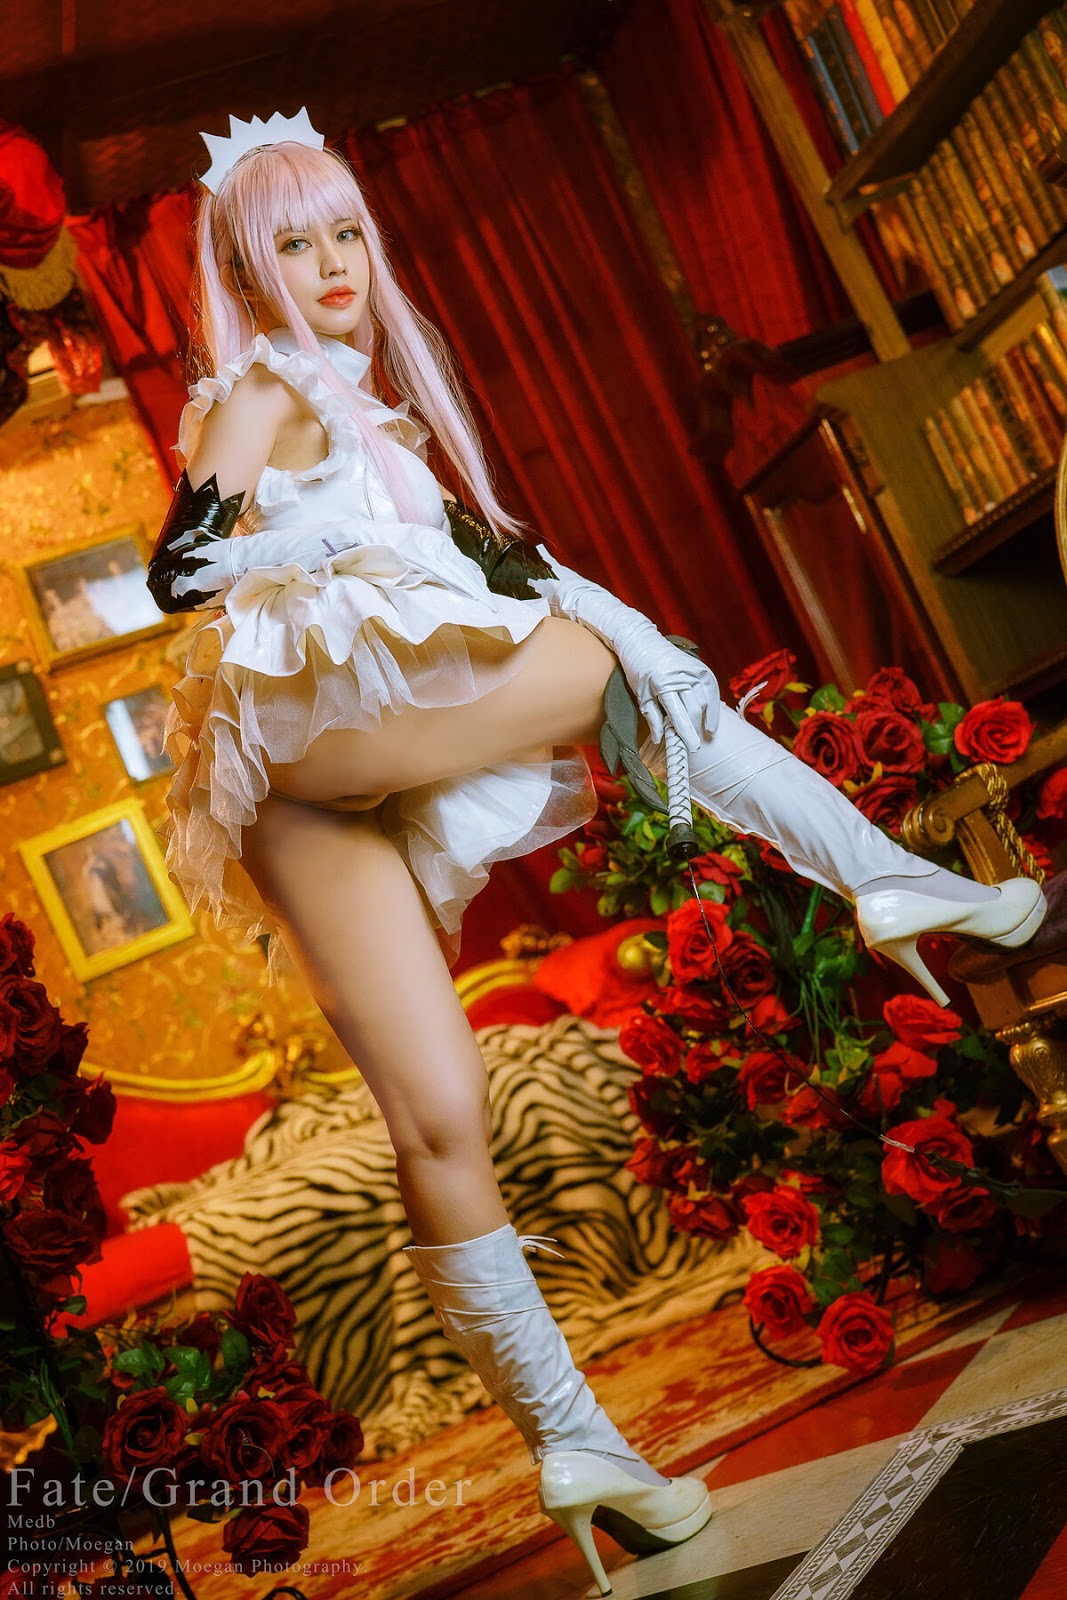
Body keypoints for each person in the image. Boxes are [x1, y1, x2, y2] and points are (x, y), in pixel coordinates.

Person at [147, 110, 1046, 1595]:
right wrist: (315, 552)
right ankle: (884, 875)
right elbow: (180, 568)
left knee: (443, 1117)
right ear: (248, 275)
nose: (333, 264)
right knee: (612, 670)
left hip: (312, 808)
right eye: (293, 245)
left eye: (347, 232)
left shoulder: (370, 413)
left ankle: (579, 1449)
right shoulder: (259, 388)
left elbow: (506, 572)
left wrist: (615, 630)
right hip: (297, 743)